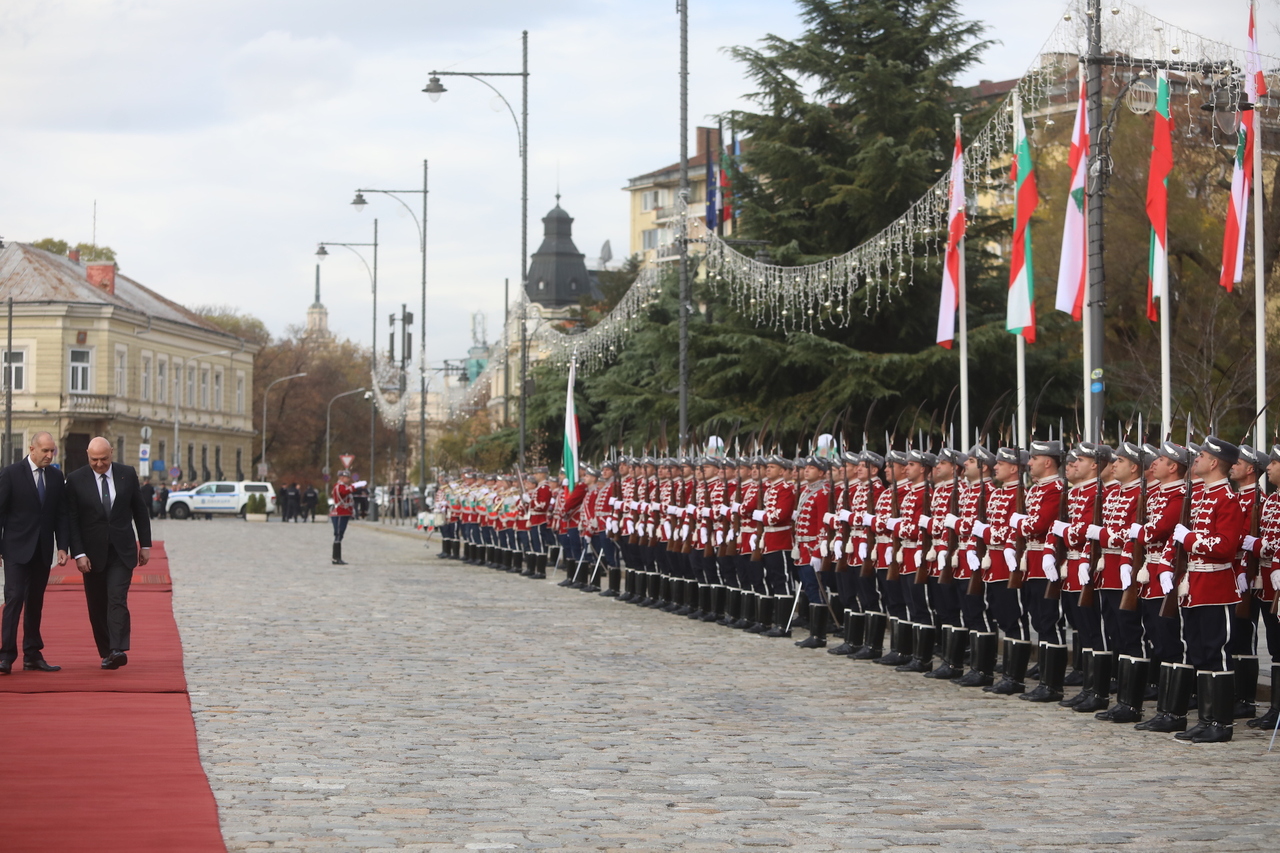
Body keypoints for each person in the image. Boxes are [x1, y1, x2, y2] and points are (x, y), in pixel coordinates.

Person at [66, 436, 152, 670]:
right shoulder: (75, 480)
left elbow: (139, 510)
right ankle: (106, 651)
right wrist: (79, 553)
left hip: (121, 550)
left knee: (117, 598)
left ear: (112, 453)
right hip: (91, 554)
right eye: (94, 459)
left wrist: (145, 545)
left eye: (104, 458)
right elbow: (72, 520)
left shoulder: (127, 473)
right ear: (87, 455)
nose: (99, 464)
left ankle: (117, 648)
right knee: (96, 604)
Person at [0, 432, 71, 674]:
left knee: (35, 603)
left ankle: (32, 655)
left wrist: (62, 546)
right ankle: (5, 657)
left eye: (53, 451)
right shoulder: (10, 474)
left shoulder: (55, 476)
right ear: (32, 449)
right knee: (14, 598)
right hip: (15, 550)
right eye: (45, 451)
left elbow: (60, 514)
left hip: (42, 551)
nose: (50, 456)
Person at [330, 471, 355, 565]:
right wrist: (353, 487)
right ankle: (336, 558)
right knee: (338, 534)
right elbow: (343, 493)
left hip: (344, 512)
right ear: (341, 478)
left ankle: (337, 557)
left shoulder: (343, 486)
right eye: (346, 477)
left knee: (340, 535)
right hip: (340, 512)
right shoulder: (339, 486)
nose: (348, 479)